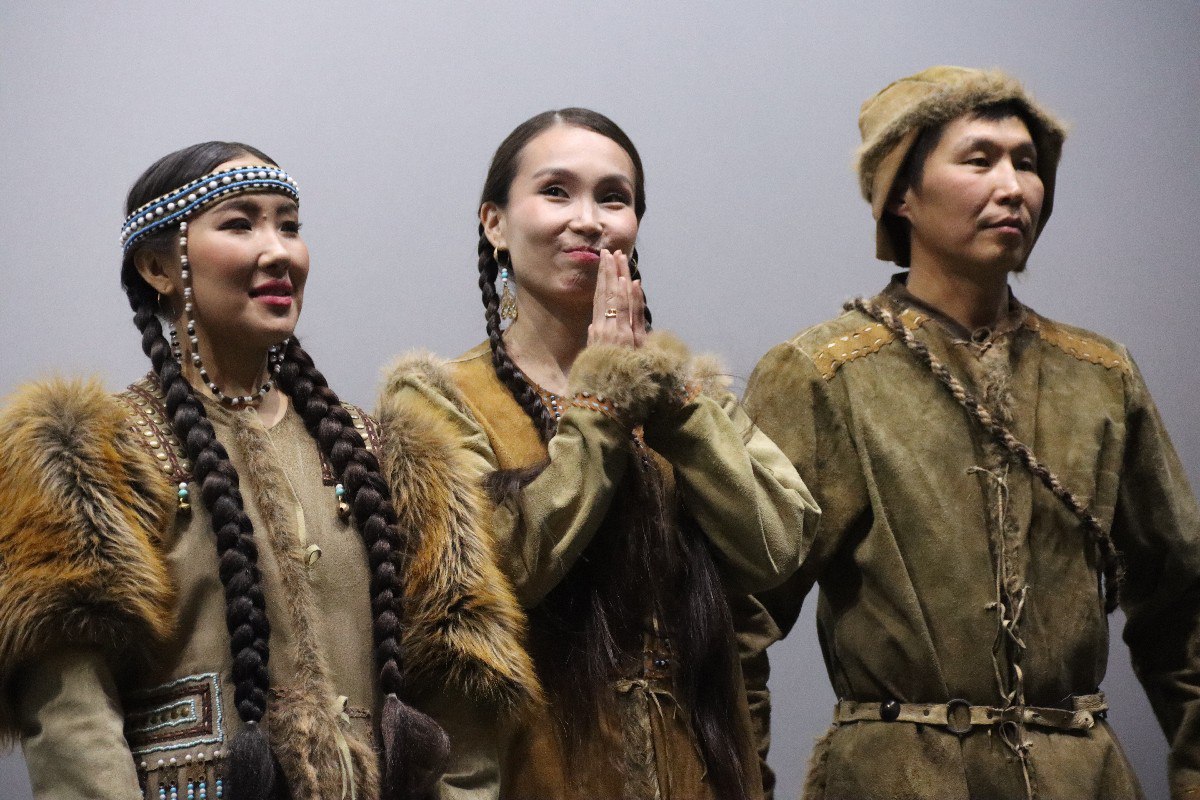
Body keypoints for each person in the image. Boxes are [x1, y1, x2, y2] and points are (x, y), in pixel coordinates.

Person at [0, 141, 537, 800]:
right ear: (157, 267)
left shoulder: (388, 456)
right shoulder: (92, 455)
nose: (279, 250)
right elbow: (71, 714)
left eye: (289, 225)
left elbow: (463, 698)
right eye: (239, 224)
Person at [743, 65, 1200, 799]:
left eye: (1028, 163)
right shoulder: (824, 375)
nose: (1014, 186)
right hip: (898, 781)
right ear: (902, 193)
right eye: (979, 159)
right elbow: (732, 618)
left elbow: (1185, 614)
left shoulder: (1099, 376)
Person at [378, 108, 818, 800]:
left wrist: (668, 402)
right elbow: (498, 574)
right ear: (495, 223)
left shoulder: (684, 396)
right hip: (538, 775)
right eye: (555, 191)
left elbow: (779, 548)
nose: (588, 220)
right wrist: (600, 407)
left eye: (614, 198)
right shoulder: (439, 398)